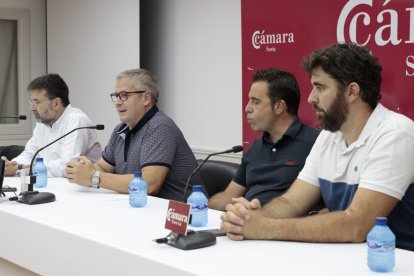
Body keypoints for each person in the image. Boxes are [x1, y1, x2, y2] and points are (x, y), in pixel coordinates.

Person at [220, 42, 414, 251]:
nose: (311, 98)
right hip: (347, 259)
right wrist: (248, 218)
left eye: (320, 87)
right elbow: (292, 203)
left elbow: (357, 225)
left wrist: (265, 227)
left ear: (351, 92)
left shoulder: (396, 133)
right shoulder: (328, 137)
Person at [65, 68, 203, 201]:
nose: (118, 102)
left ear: (146, 98)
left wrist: (94, 177)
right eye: (116, 96)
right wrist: (83, 169)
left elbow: (149, 185)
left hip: (180, 215)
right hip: (139, 209)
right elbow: (102, 167)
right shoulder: (121, 130)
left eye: (124, 95)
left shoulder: (160, 127)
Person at [209, 68, 319, 211]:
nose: (247, 108)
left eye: (255, 102)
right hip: (245, 225)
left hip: (285, 228)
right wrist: (198, 206)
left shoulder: (316, 143)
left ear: (279, 107)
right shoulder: (255, 148)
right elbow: (229, 196)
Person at [1, 73, 102, 177]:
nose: (32, 108)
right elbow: (29, 154)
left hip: (84, 189)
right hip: (52, 185)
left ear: (56, 103)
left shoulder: (77, 120)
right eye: (31, 102)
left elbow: (67, 166)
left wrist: (21, 169)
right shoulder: (43, 123)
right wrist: (9, 165)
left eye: (37, 102)